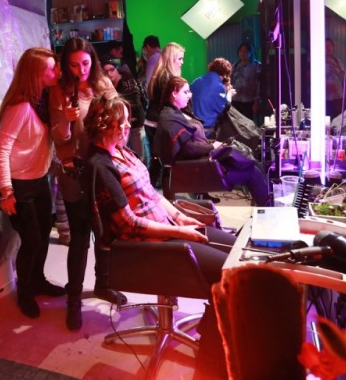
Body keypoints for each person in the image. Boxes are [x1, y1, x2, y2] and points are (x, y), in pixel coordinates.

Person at [81, 94, 234, 287]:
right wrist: (181, 232)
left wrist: (179, 217)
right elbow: (130, 224)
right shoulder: (100, 166)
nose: (128, 125)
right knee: (232, 272)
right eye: (122, 121)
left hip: (169, 227)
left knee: (237, 251)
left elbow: (151, 193)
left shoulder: (122, 150)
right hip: (152, 243)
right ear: (104, 125)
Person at [48, 37, 125, 331]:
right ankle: (73, 300)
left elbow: (119, 119)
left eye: (85, 63)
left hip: (102, 169)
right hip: (74, 172)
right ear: (65, 65)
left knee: (105, 234)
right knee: (80, 239)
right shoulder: (59, 91)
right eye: (74, 64)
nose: (81, 69)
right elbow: (58, 139)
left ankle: (103, 284)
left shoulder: (102, 83)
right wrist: (67, 122)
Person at [0, 47, 65, 319]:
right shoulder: (21, 107)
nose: (56, 72)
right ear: (36, 73)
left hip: (38, 180)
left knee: (43, 235)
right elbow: (0, 151)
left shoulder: (42, 101)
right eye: (51, 69)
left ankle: (38, 281)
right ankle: (25, 292)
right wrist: (6, 191)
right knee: (32, 239)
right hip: (18, 185)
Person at [155, 76, 271, 206]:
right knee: (253, 172)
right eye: (186, 92)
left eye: (189, 91)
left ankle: (266, 206)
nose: (190, 95)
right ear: (174, 93)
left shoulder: (180, 112)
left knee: (253, 163)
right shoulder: (169, 118)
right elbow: (187, 148)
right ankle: (268, 209)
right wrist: (212, 146)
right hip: (199, 168)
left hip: (204, 161)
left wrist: (214, 144)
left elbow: (194, 141)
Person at [144, 42, 185, 183]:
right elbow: (170, 105)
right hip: (158, 123)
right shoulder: (167, 78)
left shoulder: (160, 75)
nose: (182, 62)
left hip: (153, 122)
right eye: (180, 59)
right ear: (171, 58)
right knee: (163, 162)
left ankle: (152, 190)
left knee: (157, 162)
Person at [101, 54, 145, 160]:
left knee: (139, 157)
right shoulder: (107, 85)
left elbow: (135, 106)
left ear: (117, 68)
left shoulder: (127, 81)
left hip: (134, 125)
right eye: (106, 72)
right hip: (120, 126)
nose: (109, 74)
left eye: (112, 69)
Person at [190, 58, 234, 132]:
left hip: (192, 127)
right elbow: (224, 109)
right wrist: (229, 94)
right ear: (225, 74)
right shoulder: (219, 87)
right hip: (206, 131)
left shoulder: (196, 81)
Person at [230, 42, 262, 123]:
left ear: (250, 52)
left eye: (245, 51)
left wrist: (256, 102)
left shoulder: (256, 65)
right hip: (235, 100)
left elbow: (258, 84)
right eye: (241, 51)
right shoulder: (235, 66)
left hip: (249, 102)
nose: (242, 53)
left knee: (247, 124)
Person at [325, 38, 346, 119]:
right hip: (325, 96)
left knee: (338, 118)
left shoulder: (337, 61)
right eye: (326, 46)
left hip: (338, 95)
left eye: (330, 46)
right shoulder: (318, 61)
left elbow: (343, 77)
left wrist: (336, 66)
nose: (328, 48)